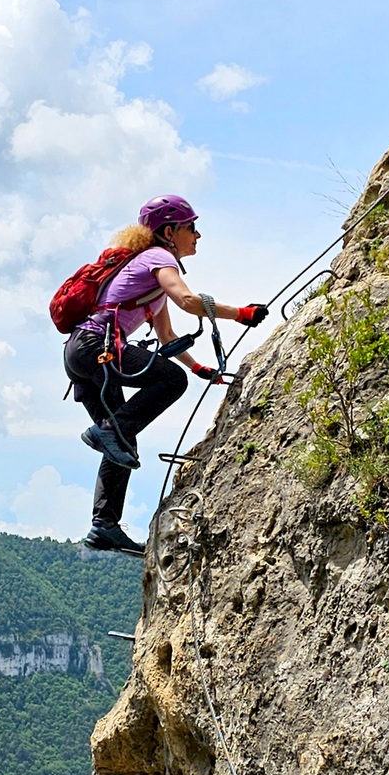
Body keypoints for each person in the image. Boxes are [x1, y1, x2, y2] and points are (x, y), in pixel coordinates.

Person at [64, 194, 268, 555]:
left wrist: (200, 367)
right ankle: (106, 431)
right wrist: (241, 314)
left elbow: (168, 338)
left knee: (122, 440)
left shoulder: (149, 279)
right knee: (169, 383)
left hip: (82, 353)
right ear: (170, 231)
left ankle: (104, 525)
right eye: (192, 227)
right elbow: (188, 301)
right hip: (98, 346)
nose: (198, 235)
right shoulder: (158, 258)